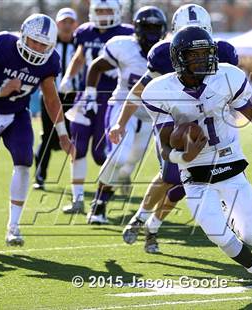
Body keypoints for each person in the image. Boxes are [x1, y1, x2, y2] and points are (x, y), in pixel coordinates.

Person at [142, 26, 252, 298]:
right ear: (179, 58)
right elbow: (166, 148)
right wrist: (184, 156)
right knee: (217, 234)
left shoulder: (227, 77)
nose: (203, 60)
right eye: (195, 55)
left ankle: (231, 212)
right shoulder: (160, 90)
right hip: (195, 176)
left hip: (231, 168)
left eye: (206, 53)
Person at [109, 4, 239, 253]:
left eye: (200, 35)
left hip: (209, 125)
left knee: (188, 183)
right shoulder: (162, 55)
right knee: (170, 176)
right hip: (174, 125)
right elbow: (139, 92)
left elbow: (234, 93)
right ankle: (140, 218)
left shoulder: (223, 53)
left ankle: (152, 226)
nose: (195, 45)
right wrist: (120, 122)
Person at [0, 14, 75, 247]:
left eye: (43, 44)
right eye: (33, 41)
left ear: (51, 45)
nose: (37, 47)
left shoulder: (50, 61)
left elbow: (52, 100)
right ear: (23, 35)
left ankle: (13, 227)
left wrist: (63, 134)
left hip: (17, 116)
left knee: (23, 162)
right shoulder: (2, 46)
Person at [81, 6, 167, 224]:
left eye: (156, 28)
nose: (152, 33)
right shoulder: (123, 46)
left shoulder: (167, 52)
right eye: (147, 27)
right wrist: (90, 94)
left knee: (129, 163)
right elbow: (96, 66)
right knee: (118, 157)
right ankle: (98, 205)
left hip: (149, 116)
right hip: (122, 107)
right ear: (137, 29)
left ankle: (113, 185)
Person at [60, 0, 134, 213]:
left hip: (111, 98)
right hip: (86, 95)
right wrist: (68, 75)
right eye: (99, 10)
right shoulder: (84, 31)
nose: (102, 14)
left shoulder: (126, 33)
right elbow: (80, 56)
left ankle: (119, 174)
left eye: (107, 10)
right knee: (77, 146)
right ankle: (77, 200)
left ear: (117, 12)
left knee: (101, 154)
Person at [33, 8, 79, 190]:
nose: (67, 25)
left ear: (75, 24)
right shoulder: (47, 43)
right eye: (63, 22)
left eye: (70, 22)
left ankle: (77, 182)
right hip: (50, 94)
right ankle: (40, 176)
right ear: (57, 24)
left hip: (74, 96)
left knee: (75, 137)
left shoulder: (80, 44)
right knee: (47, 137)